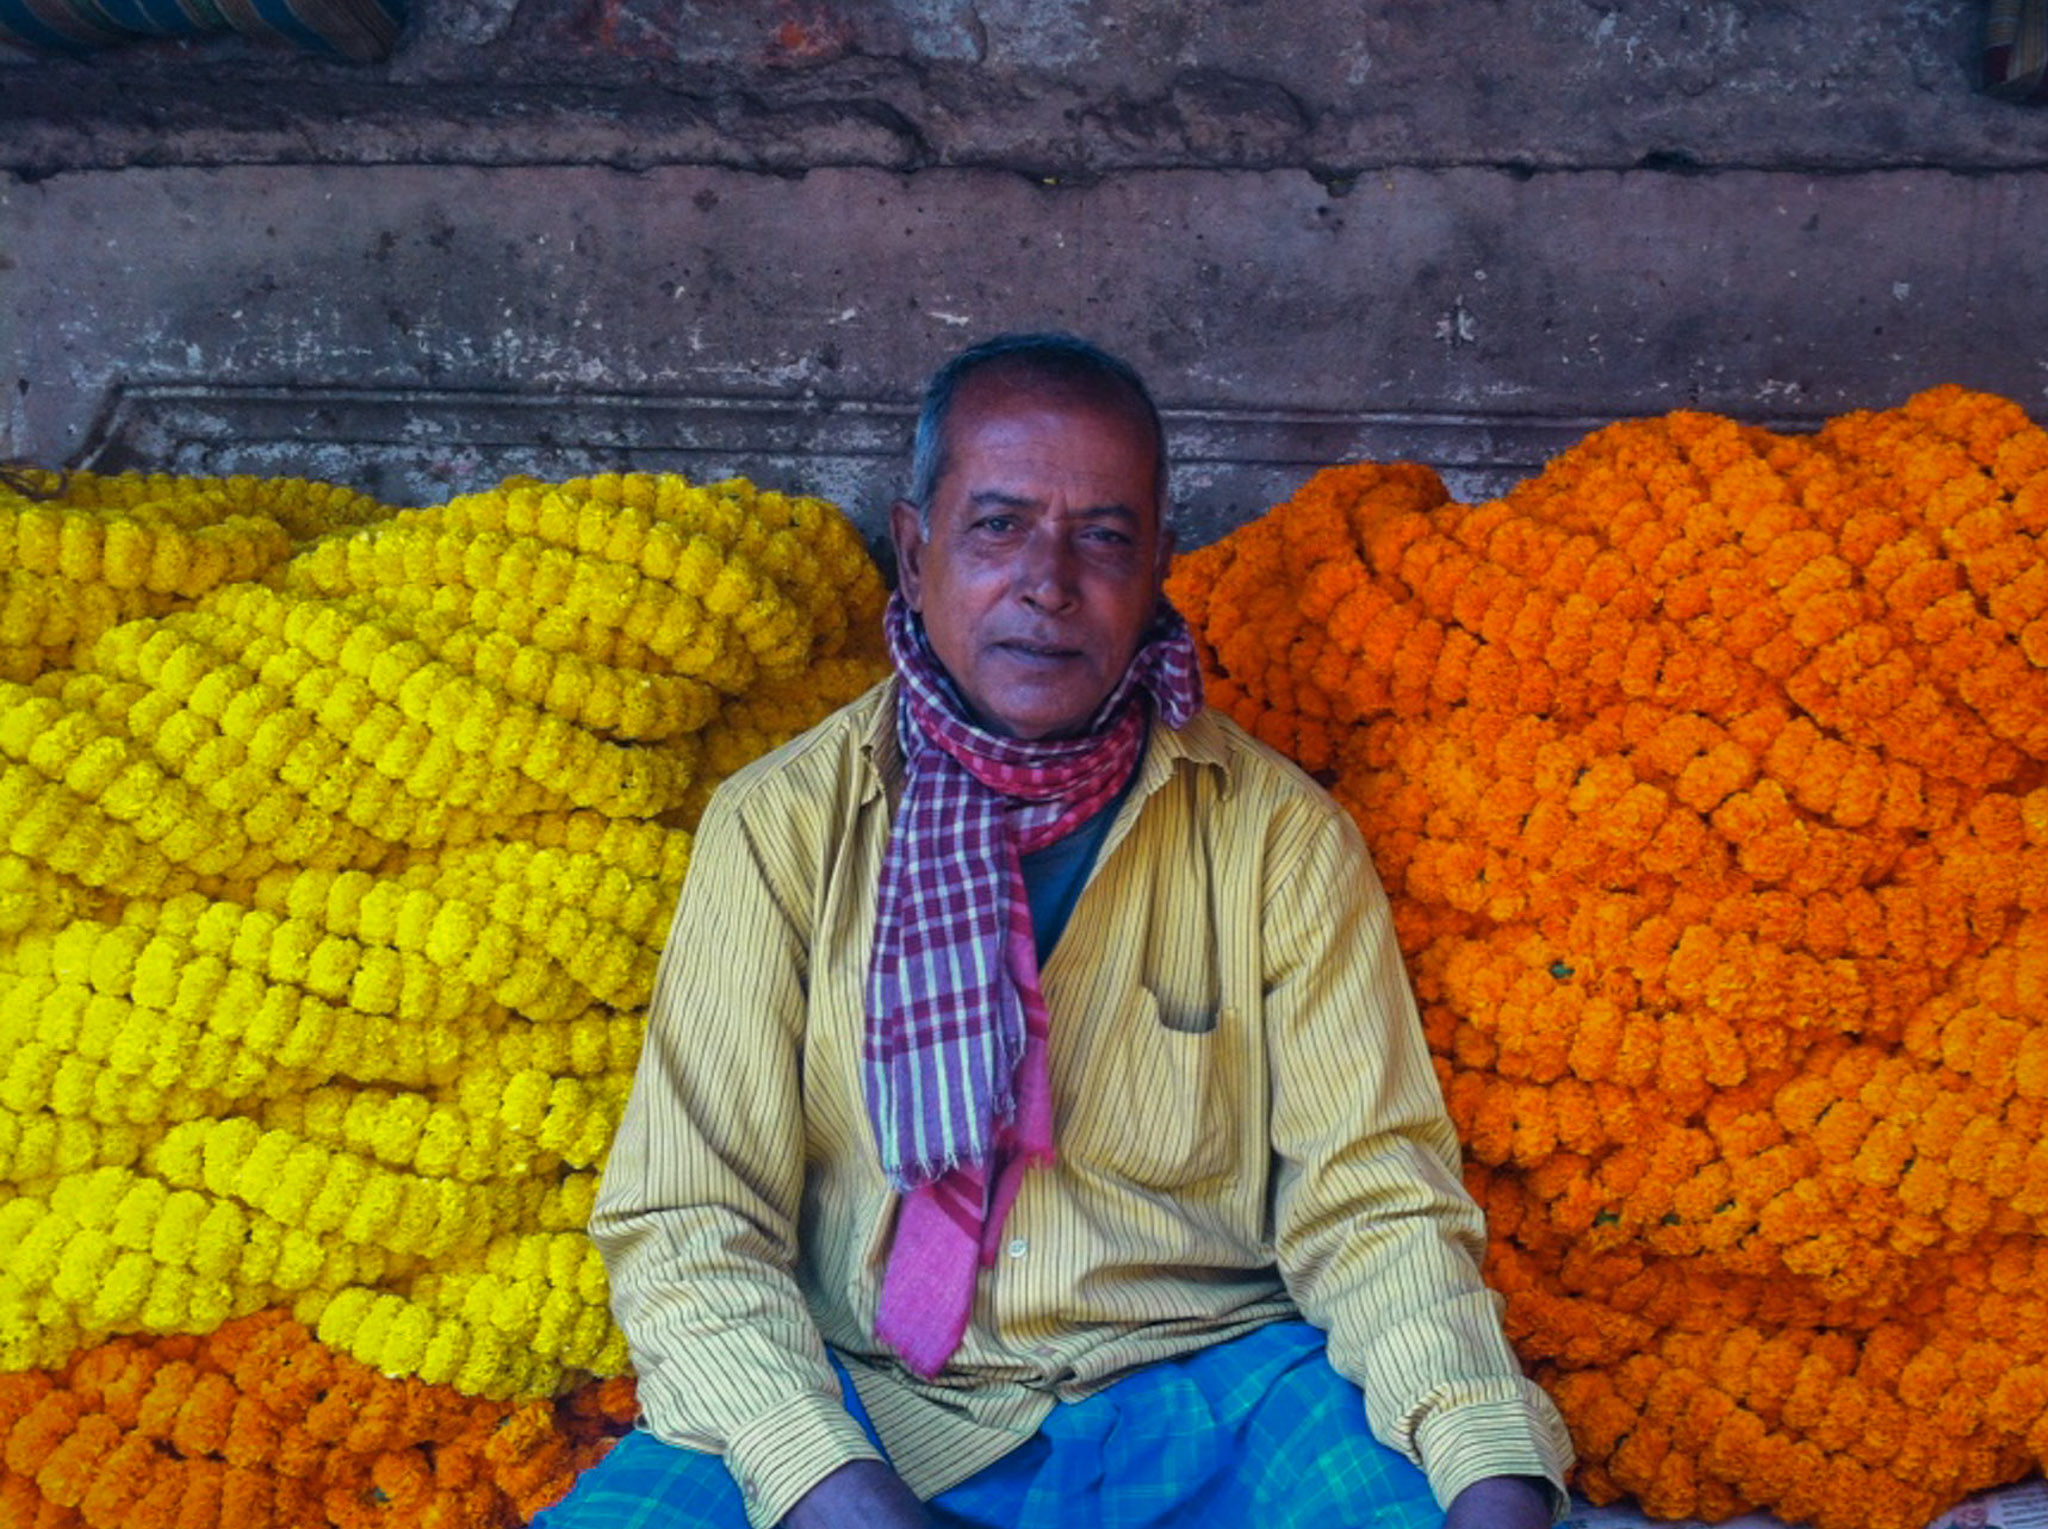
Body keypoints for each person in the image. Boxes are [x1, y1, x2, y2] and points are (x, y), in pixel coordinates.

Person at [540, 334, 1573, 1529]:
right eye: (996, 526)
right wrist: (833, 1485)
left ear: (1157, 568)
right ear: (916, 548)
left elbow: (1373, 1204)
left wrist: (1484, 1471)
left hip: (1213, 1395)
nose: (1048, 580)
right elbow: (689, 1219)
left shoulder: (1276, 834)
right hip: (871, 1402)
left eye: (1102, 535)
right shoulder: (780, 826)